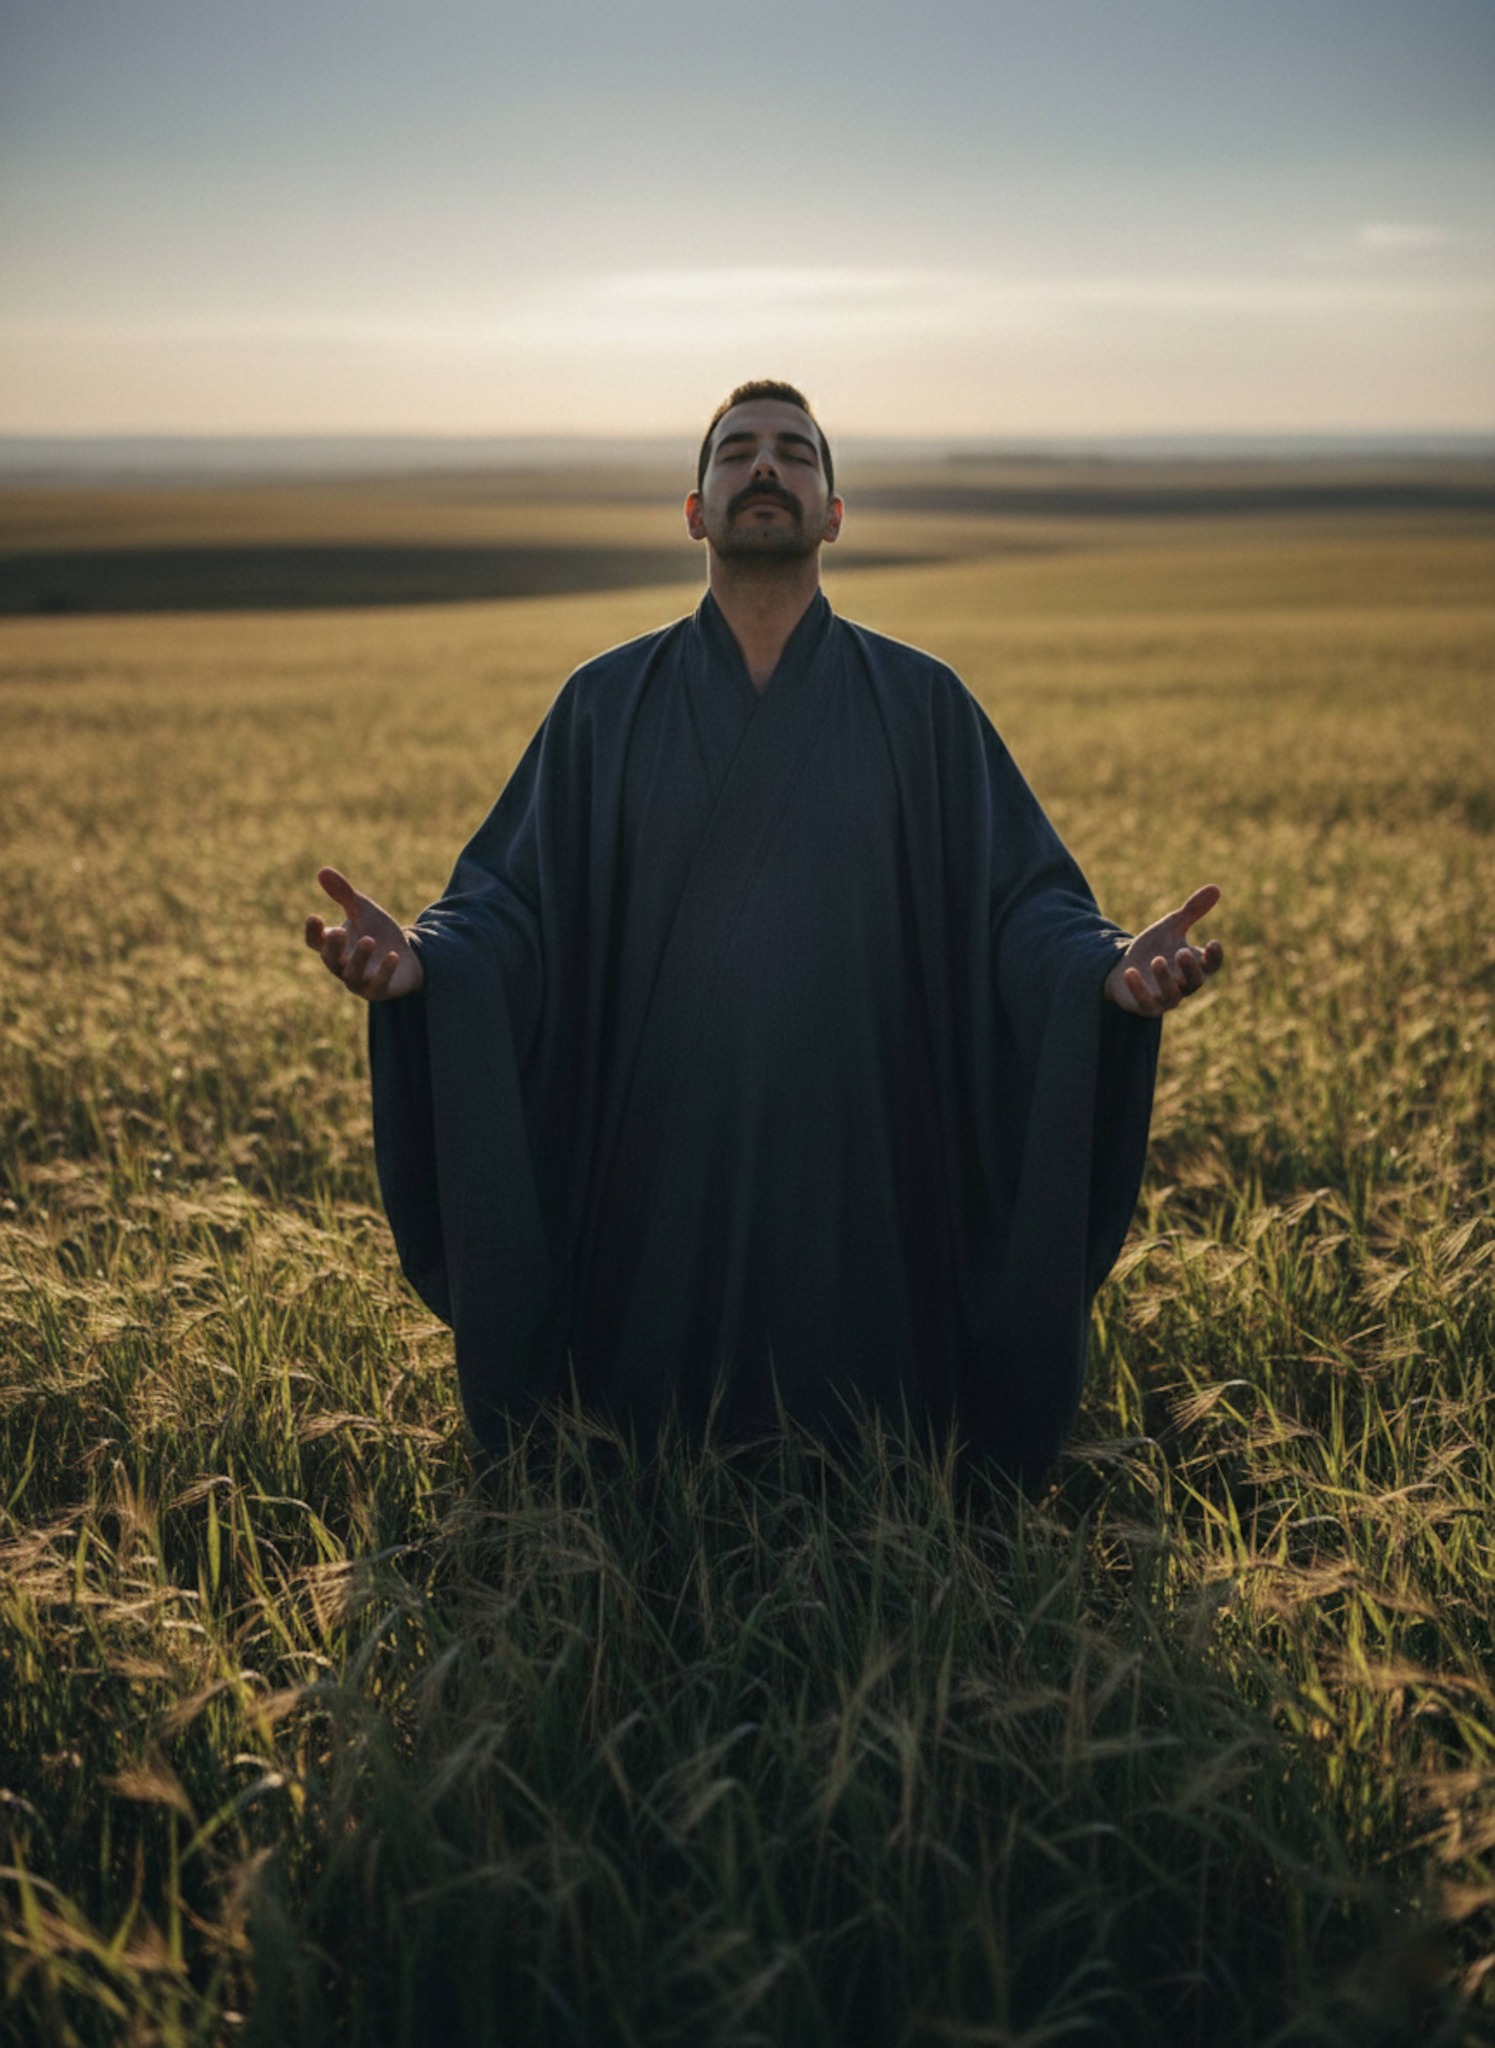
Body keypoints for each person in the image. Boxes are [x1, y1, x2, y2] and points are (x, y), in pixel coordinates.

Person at [305, 380, 1223, 1481]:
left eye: (795, 452)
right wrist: (429, 964)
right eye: (737, 452)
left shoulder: (924, 705)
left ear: (834, 512)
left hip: (869, 1160)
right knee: (647, 1473)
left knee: (880, 1466)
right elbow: (514, 902)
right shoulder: (603, 706)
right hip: (660, 1170)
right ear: (694, 509)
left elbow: (1016, 901)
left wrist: (1097, 974)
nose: (766, 468)